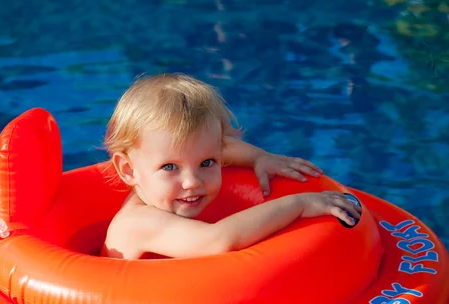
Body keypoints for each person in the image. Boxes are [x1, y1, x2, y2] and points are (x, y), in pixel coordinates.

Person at [100, 73, 360, 260]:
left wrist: (260, 158)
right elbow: (218, 240)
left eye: (207, 163)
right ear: (128, 170)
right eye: (169, 167)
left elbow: (223, 146)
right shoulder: (138, 222)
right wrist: (299, 204)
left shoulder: (166, 187)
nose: (192, 181)